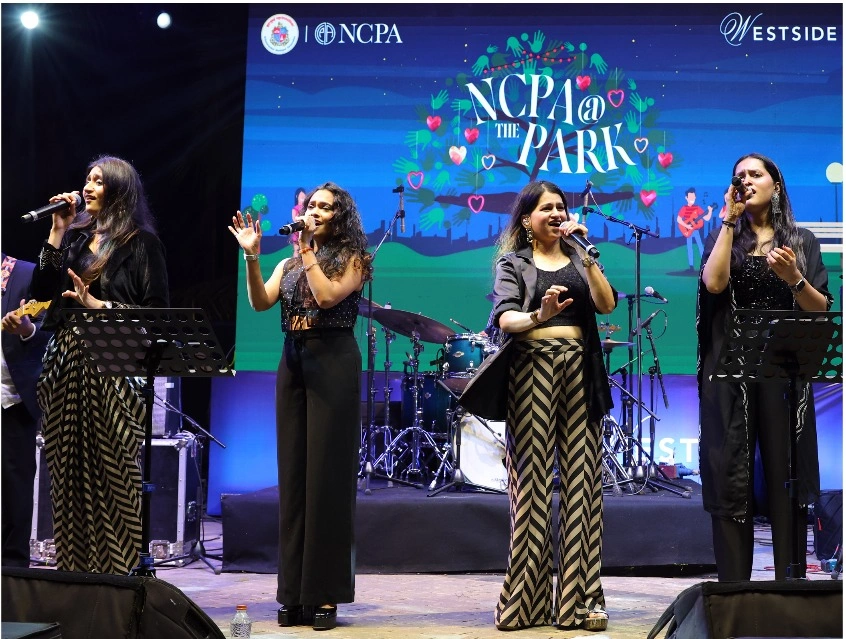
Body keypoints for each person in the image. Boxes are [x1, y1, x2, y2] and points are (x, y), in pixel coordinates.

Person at [228, 181, 372, 631]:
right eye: (311, 206)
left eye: (325, 207)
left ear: (340, 217)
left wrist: (306, 249)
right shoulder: (288, 263)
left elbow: (327, 297)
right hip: (293, 359)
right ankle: (292, 592)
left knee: (326, 481)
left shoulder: (354, 259)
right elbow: (260, 302)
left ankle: (324, 592)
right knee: (293, 479)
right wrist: (253, 257)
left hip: (333, 360)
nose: (315, 212)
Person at [29, 155, 170, 574]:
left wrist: (100, 306)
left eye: (98, 181)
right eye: (87, 179)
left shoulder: (142, 244)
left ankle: (118, 576)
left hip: (114, 367)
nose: (87, 187)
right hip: (66, 365)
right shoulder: (74, 242)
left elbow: (157, 316)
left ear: (119, 191)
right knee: (66, 473)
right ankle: (74, 575)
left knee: (114, 475)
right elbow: (42, 292)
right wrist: (57, 231)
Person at [697, 153, 833, 581]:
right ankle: (733, 588)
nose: (747, 181)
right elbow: (714, 283)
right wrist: (727, 220)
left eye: (756, 174)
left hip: (783, 367)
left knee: (785, 473)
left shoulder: (801, 240)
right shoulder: (724, 234)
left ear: (776, 184)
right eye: (739, 176)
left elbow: (819, 308)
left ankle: (789, 586)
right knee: (730, 473)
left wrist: (794, 277)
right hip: (730, 368)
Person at [489, 180, 618, 632]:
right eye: (547, 208)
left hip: (580, 369)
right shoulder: (514, 263)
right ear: (528, 220)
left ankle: (579, 602)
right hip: (531, 370)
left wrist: (587, 256)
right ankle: (524, 604)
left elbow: (606, 304)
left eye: (561, 206)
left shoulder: (581, 256)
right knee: (532, 486)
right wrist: (538, 316)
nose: (557, 213)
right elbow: (505, 317)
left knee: (584, 485)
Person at [1, 255, 52, 567]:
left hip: (10, 400)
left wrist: (27, 329)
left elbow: (53, 333)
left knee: (14, 493)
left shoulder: (24, 274)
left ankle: (12, 574)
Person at [676, 187, 713, 271]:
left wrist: (710, 211)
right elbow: (678, 219)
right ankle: (691, 266)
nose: (692, 199)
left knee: (700, 246)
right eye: (690, 197)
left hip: (695, 231)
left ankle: (704, 264)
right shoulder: (684, 208)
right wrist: (686, 226)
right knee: (689, 248)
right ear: (686, 198)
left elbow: (706, 218)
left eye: (693, 197)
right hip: (688, 230)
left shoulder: (697, 208)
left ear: (695, 197)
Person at [290, 186, 307, 257]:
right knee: (296, 249)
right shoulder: (295, 208)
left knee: (306, 249)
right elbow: (294, 219)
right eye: (301, 197)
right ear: (297, 197)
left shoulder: (307, 208)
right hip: (297, 230)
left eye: (304, 197)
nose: (303, 199)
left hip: (305, 230)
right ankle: (295, 262)